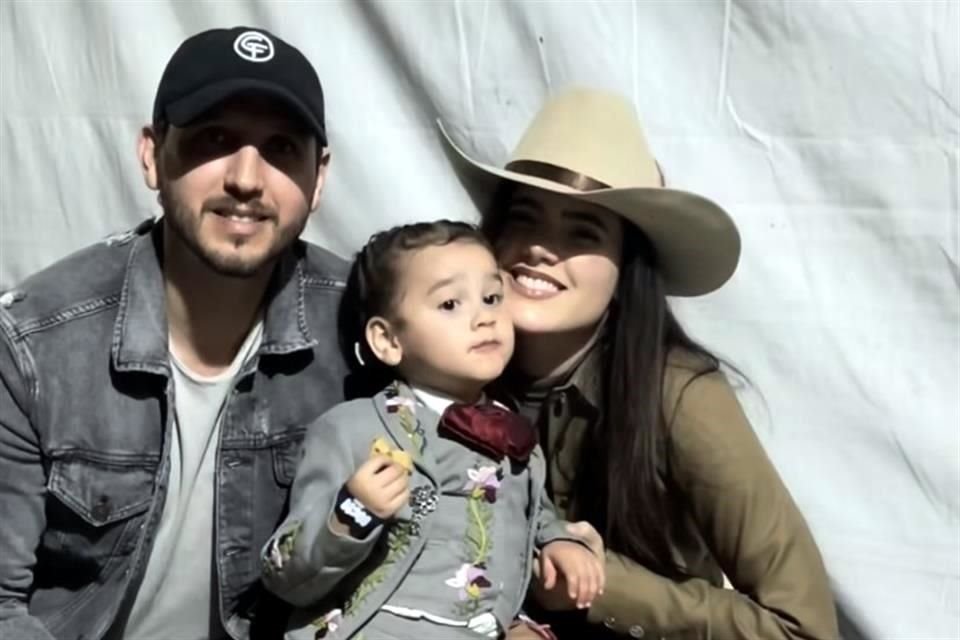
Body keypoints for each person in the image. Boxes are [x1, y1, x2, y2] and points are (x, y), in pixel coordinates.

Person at [440, 89, 841, 639]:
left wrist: (598, 583)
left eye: (583, 231)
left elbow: (803, 628)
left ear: (627, 267)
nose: (540, 248)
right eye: (524, 218)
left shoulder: (678, 396)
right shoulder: (443, 371)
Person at [0, 26, 348, 640]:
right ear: (151, 154)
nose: (247, 177)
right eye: (214, 139)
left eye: (281, 148)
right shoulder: (34, 343)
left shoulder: (369, 328)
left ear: (317, 180)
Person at [260, 221, 604, 640]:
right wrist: (353, 512)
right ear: (387, 340)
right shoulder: (351, 430)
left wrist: (559, 545)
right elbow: (285, 576)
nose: (483, 318)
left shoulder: (517, 441)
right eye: (449, 304)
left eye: (492, 298)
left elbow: (535, 518)